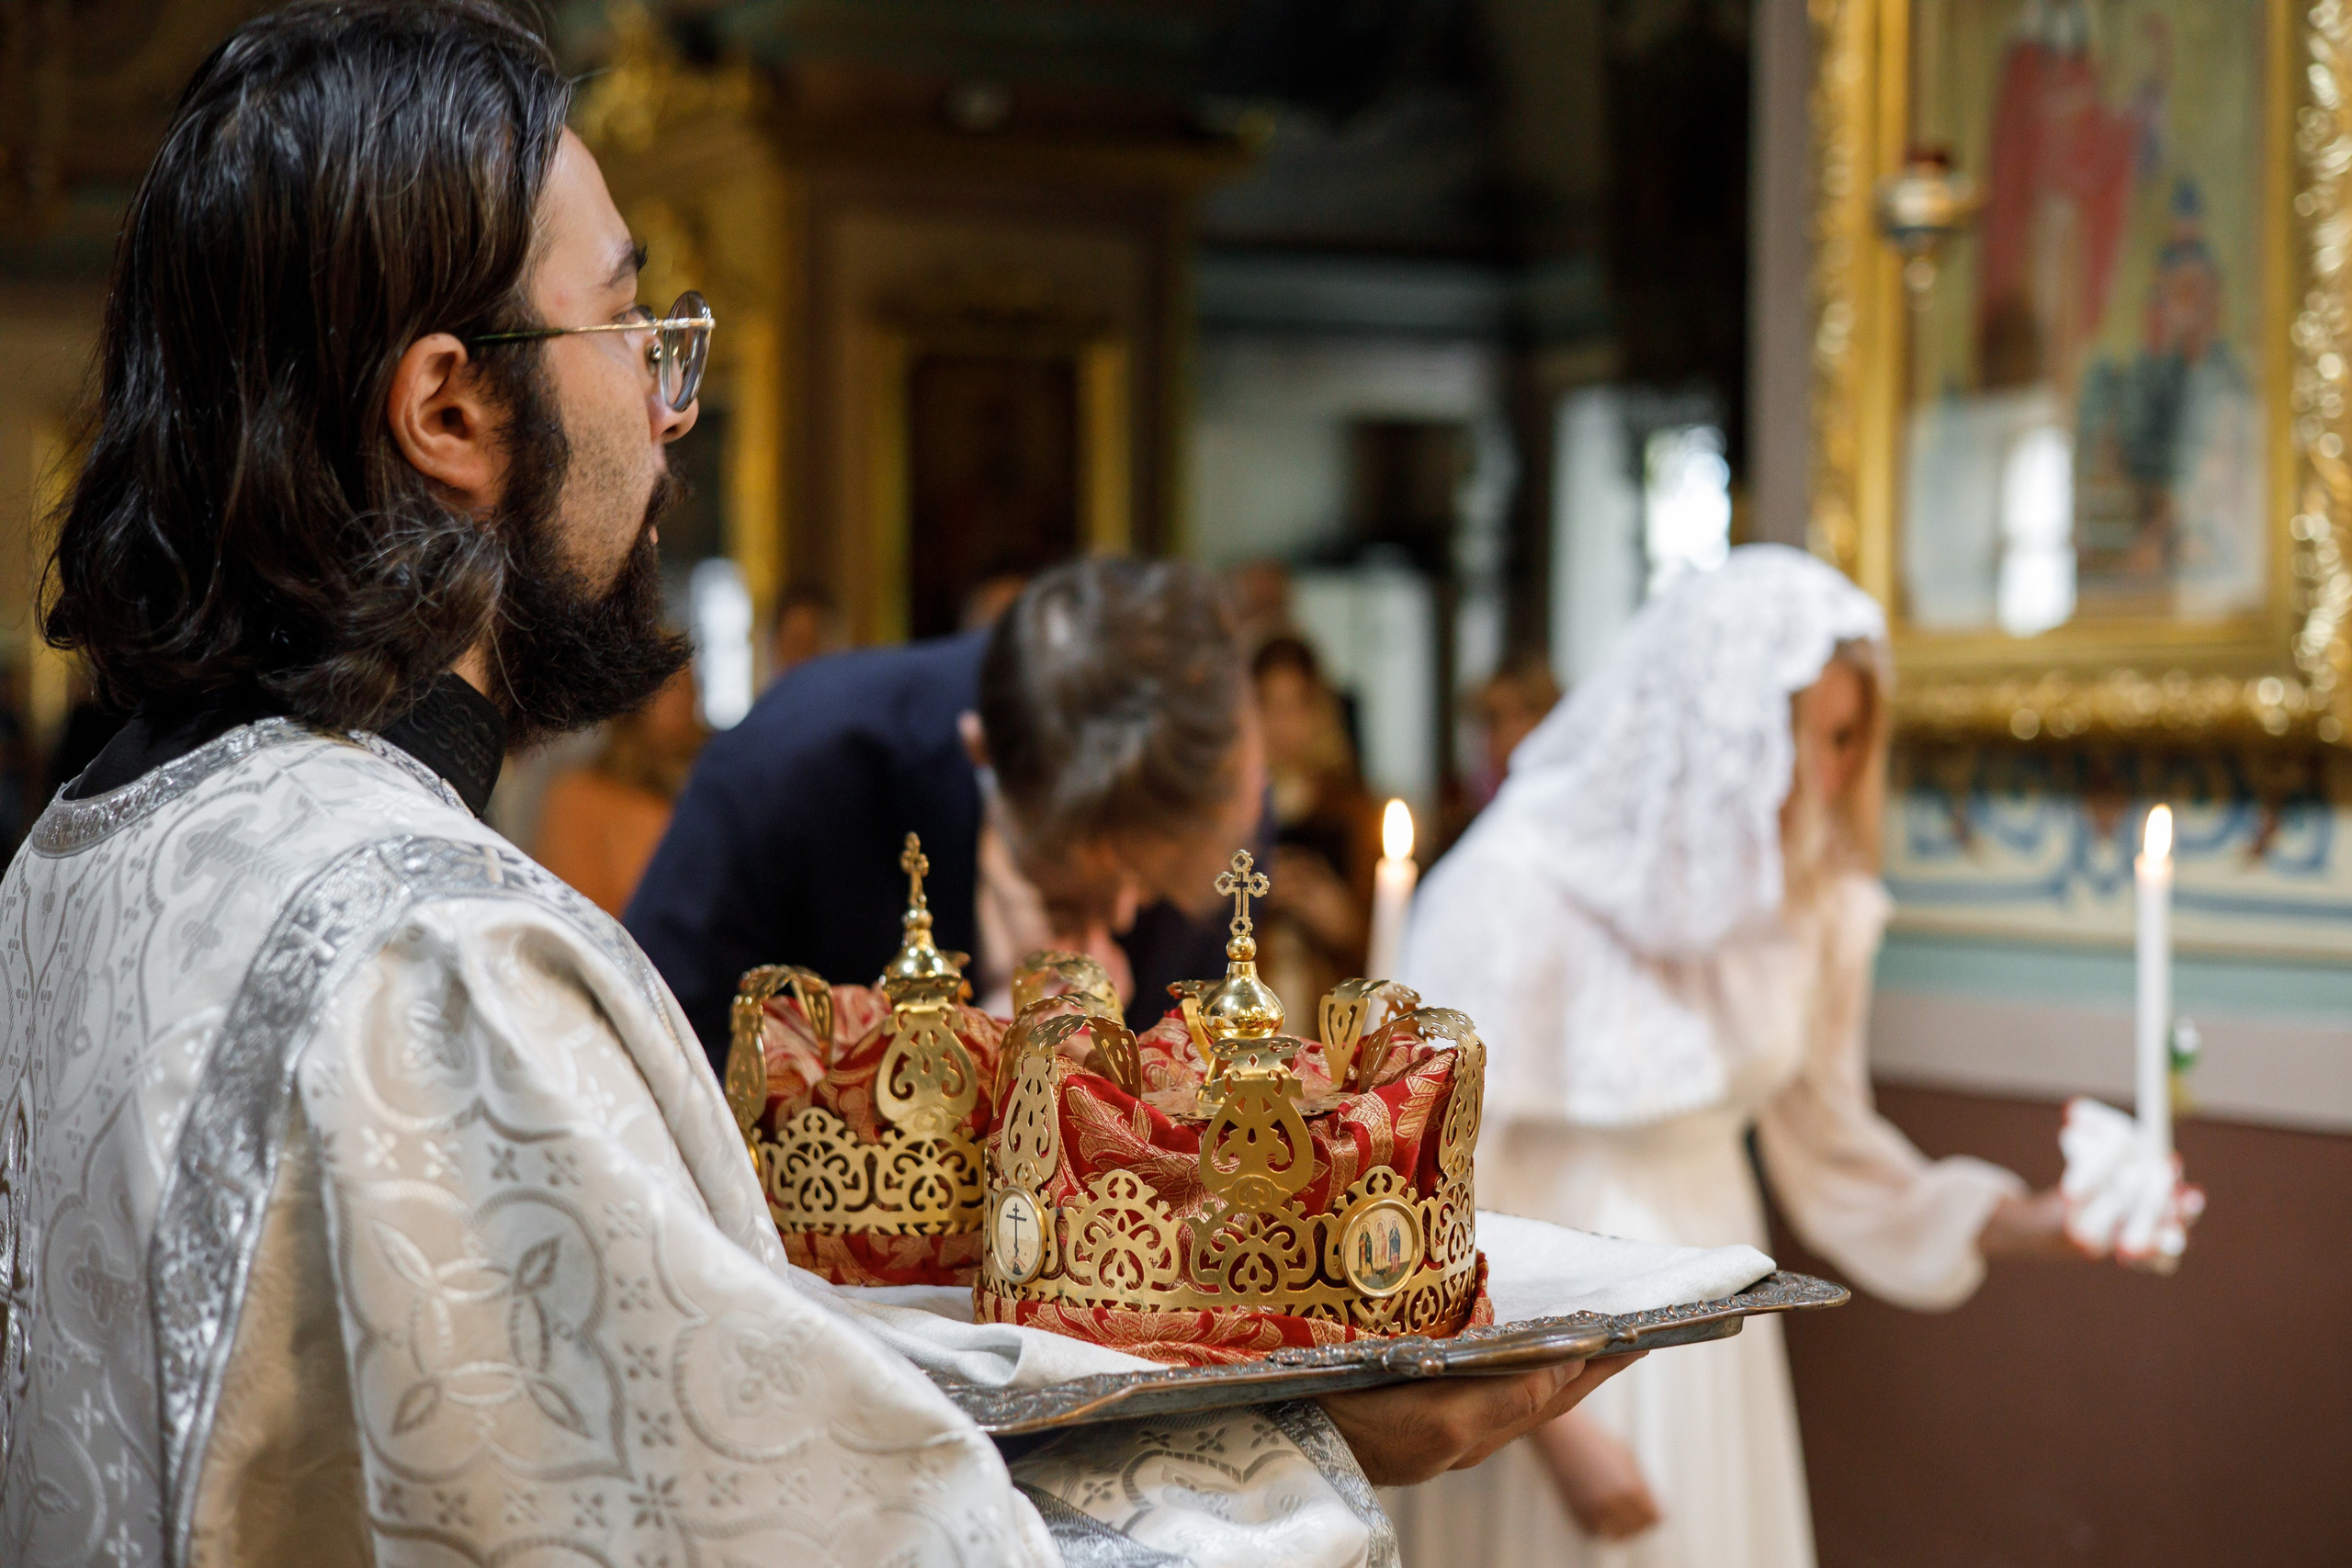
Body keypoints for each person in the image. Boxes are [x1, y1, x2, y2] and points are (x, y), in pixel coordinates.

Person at [0, 9, 1631, 1562]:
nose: (670, 407)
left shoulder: (79, 861)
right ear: (450, 408)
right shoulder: (438, 965)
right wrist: (1320, 1445)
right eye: (631, 328)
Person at [1385, 547, 2116, 1568]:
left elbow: (1833, 1149)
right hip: (1531, 1340)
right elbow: (1427, 1199)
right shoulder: (1507, 890)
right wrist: (1550, 1425)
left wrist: (2036, 1222)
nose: (1829, 776)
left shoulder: (1803, 902)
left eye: (1850, 741)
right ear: (1719, 733)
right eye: (1808, 738)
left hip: (1711, 1313)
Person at [628, 555, 1259, 1072]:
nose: (1122, 913)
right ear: (980, 750)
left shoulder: (1210, 781)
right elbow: (654, 1052)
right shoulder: (788, 771)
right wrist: (968, 1057)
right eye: (1077, 886)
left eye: (1147, 883)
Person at [1251, 635, 1377, 1015]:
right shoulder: (1226, 818)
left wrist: (1343, 922)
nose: (1282, 725)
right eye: (1268, 706)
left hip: (1332, 1016)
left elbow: (1392, 937)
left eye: (1296, 706)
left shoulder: (1353, 815)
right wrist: (1251, 902)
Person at [535, 664, 705, 915]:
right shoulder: (580, 796)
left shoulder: (706, 787)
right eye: (669, 688)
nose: (683, 702)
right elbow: (577, 913)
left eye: (690, 688)